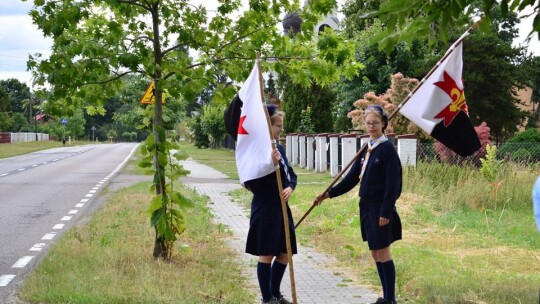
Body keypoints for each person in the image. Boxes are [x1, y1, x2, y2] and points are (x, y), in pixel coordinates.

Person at [315, 105, 402, 304]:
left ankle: (390, 299)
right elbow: (352, 179)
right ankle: (385, 297)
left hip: (381, 208)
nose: (371, 127)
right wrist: (329, 193)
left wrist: (386, 212)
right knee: (374, 251)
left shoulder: (387, 150)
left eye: (375, 123)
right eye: (368, 123)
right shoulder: (366, 148)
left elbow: (393, 185)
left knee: (383, 250)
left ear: (384, 124)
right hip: (366, 207)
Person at [244, 104, 297, 304]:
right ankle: (267, 299)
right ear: (267, 125)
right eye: (278, 126)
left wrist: (290, 187)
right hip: (265, 208)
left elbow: (290, 174)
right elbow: (250, 182)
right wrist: (268, 164)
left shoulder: (279, 148)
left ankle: (275, 293)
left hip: (282, 208)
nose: (280, 130)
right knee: (267, 254)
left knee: (285, 253)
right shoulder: (257, 152)